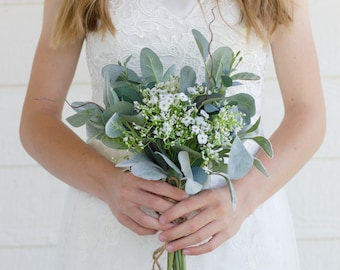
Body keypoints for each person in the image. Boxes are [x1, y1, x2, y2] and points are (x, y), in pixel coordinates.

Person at [20, 0, 325, 269]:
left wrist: (241, 199)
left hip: (236, 228)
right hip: (114, 227)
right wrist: (108, 184)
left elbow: (308, 111)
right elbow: (38, 116)